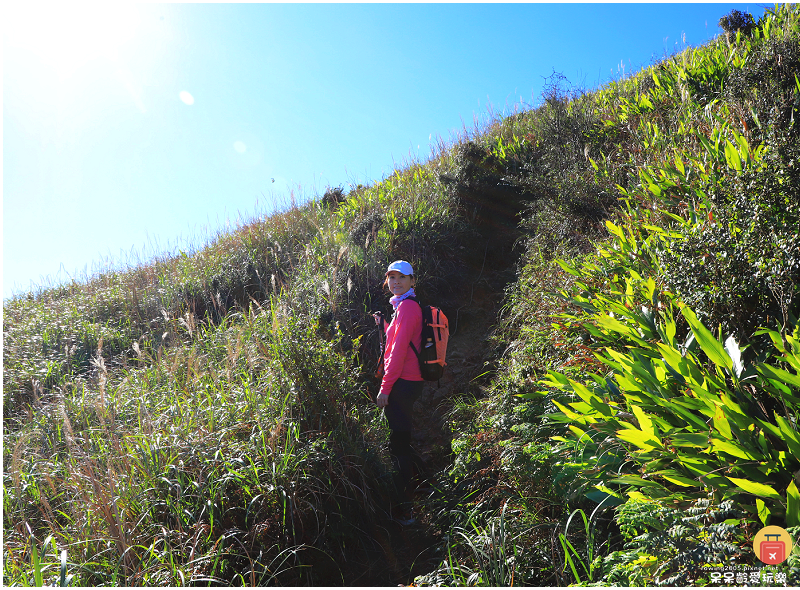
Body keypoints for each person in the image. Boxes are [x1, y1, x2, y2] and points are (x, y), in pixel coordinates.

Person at [374, 260, 426, 524]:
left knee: (398, 446)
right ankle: (425, 485)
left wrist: (385, 389)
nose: (396, 282)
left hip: (403, 383)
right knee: (401, 438)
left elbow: (397, 353)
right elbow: (400, 338)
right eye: (392, 277)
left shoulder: (406, 308)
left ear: (412, 281)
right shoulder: (403, 306)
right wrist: (385, 324)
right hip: (409, 381)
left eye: (402, 277)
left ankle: (406, 510)